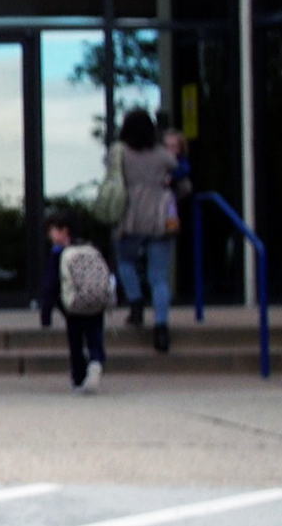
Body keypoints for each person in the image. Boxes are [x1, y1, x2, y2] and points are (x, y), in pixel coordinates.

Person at [113, 109, 179, 353]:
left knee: (125, 262)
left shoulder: (120, 153)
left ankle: (136, 302)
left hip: (130, 216)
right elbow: (180, 176)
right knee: (158, 276)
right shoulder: (163, 156)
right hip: (160, 218)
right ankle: (161, 328)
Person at [38, 210, 107, 394]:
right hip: (96, 303)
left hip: (73, 306)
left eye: (52, 230)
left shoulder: (58, 254)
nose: (50, 235)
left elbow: (50, 285)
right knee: (95, 335)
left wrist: (46, 314)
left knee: (76, 342)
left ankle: (79, 378)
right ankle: (96, 361)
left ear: (62, 231)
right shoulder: (89, 248)